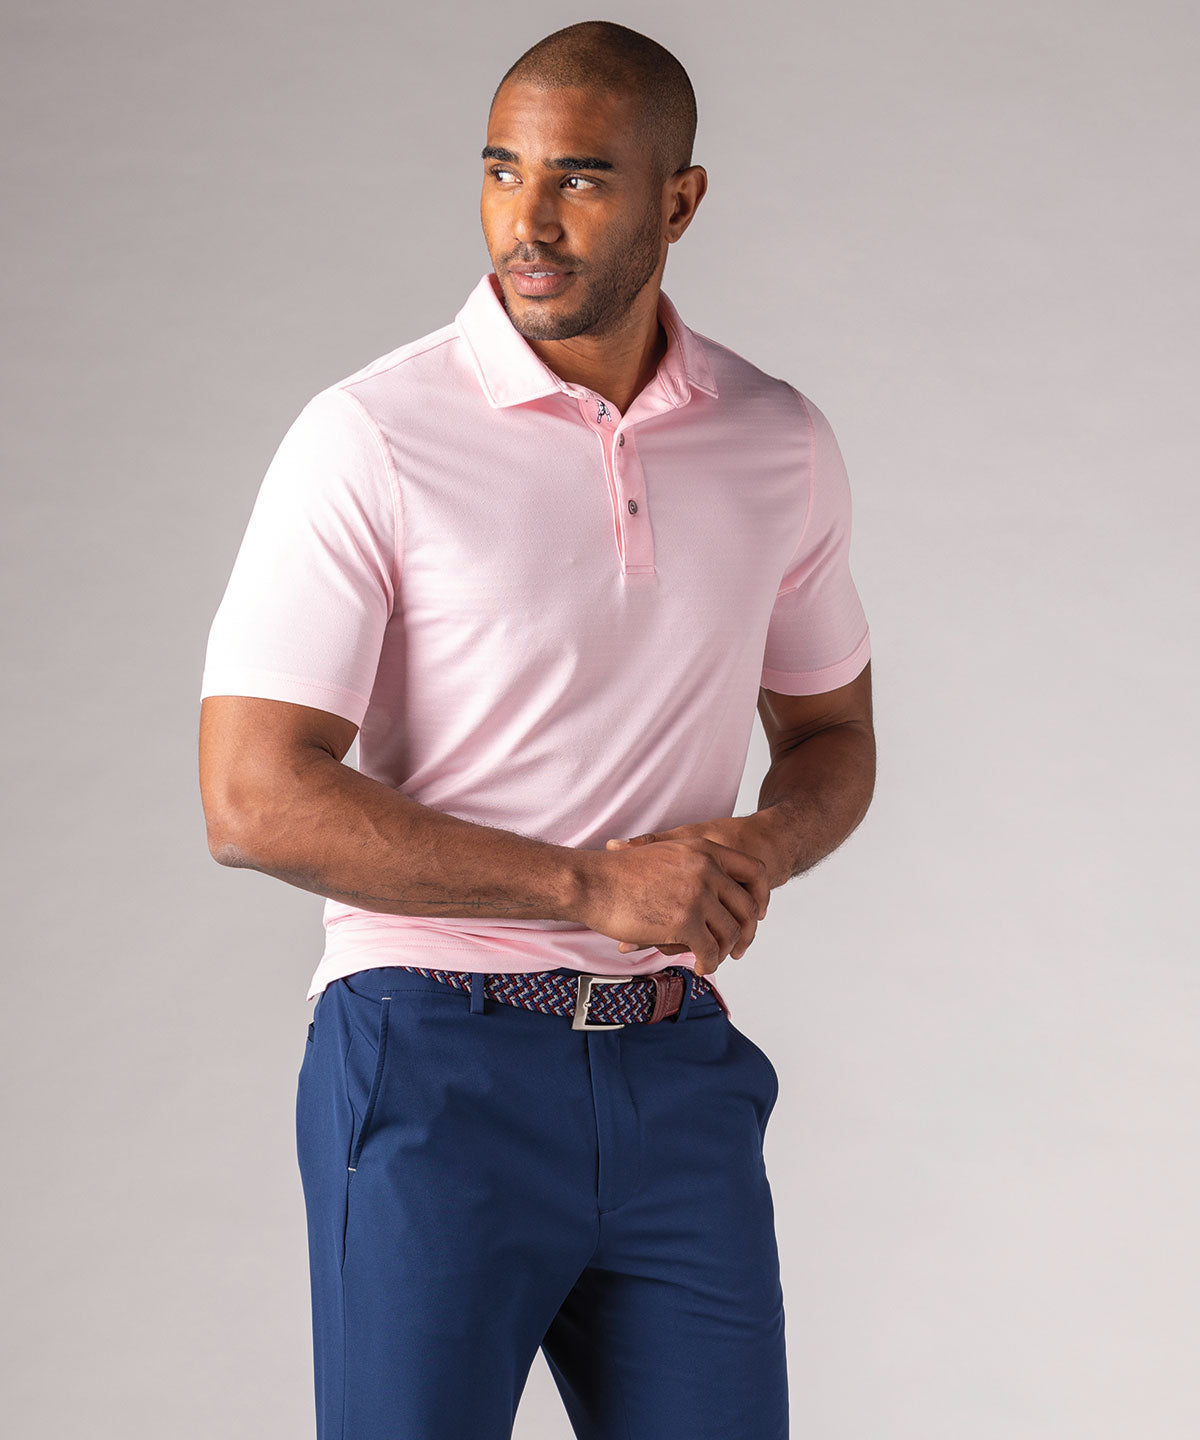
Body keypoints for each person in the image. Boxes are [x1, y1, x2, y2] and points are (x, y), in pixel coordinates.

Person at [198, 19, 874, 1440]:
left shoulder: (777, 439)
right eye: (503, 171)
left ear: (678, 202)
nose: (528, 220)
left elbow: (831, 733)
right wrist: (586, 886)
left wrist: (757, 851)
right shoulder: (371, 434)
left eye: (580, 178)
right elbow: (251, 798)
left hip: (675, 1071)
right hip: (430, 1059)